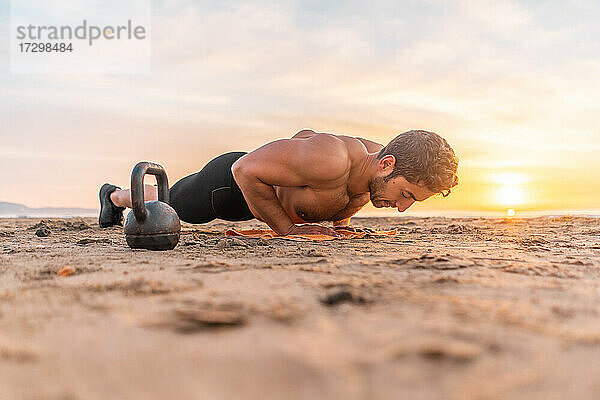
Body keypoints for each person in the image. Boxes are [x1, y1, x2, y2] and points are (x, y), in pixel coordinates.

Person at [99, 129, 459, 236]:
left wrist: (341, 226)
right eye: (406, 194)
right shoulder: (332, 158)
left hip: (267, 195)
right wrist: (287, 229)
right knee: (170, 202)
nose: (401, 207)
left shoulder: (376, 167)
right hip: (229, 186)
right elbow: (245, 170)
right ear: (387, 164)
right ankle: (115, 197)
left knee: (169, 199)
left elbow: (343, 191)